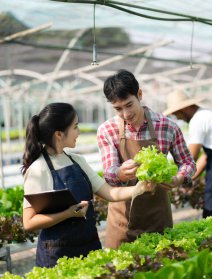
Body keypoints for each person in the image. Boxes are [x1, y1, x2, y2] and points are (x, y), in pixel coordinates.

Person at [22, 102, 155, 268]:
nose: (79, 132)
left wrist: (139, 188)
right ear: (58, 134)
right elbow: (29, 222)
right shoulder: (39, 169)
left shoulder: (77, 160)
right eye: (75, 127)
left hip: (89, 246)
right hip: (58, 255)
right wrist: (68, 213)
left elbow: (109, 193)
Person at [97, 70, 196, 248]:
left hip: (157, 216)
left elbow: (188, 163)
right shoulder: (107, 130)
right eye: (118, 109)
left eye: (129, 105)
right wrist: (119, 173)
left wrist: (179, 178)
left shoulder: (167, 126)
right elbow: (108, 172)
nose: (125, 114)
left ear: (139, 95)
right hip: (122, 220)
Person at [164, 89, 212, 218]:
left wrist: (176, 178)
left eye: (177, 114)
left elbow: (190, 158)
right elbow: (206, 156)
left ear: (185, 108)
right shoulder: (209, 114)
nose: (178, 118)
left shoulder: (198, 120)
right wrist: (187, 177)